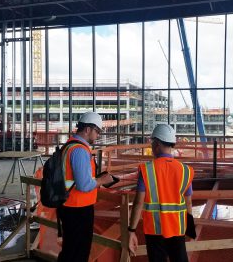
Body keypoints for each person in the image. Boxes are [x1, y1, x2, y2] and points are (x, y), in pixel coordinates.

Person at [128, 124, 194, 262]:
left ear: (157, 144)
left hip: (154, 230)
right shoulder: (185, 170)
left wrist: (131, 231)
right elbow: (188, 202)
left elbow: (139, 202)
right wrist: (190, 227)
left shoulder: (147, 170)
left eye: (152, 142)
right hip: (178, 228)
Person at [57, 112, 114, 262]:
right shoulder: (80, 150)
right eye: (97, 131)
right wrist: (102, 180)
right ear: (88, 129)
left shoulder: (69, 145)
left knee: (70, 250)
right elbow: (83, 185)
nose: (98, 135)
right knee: (78, 253)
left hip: (68, 205)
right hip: (78, 208)